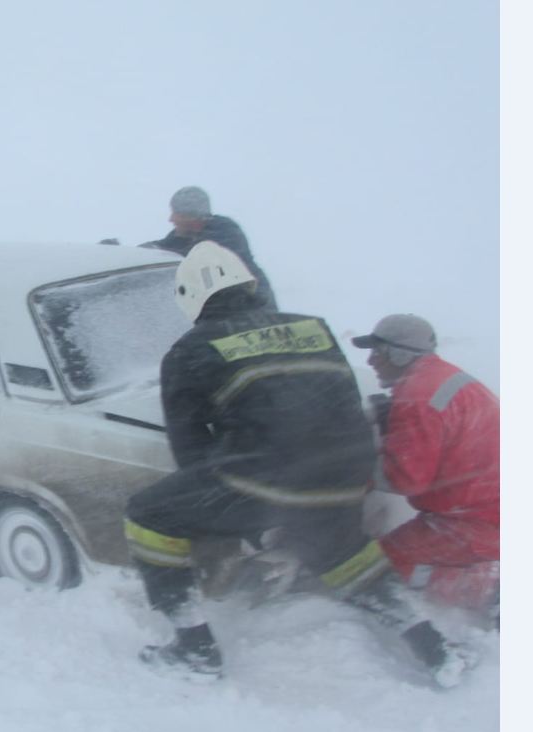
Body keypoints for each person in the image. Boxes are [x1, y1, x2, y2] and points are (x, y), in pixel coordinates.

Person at [124, 243, 471, 685]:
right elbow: (337, 398)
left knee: (148, 514)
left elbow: (190, 451)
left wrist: (240, 520)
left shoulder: (189, 351)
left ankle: (195, 650)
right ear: (250, 285)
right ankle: (437, 652)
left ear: (191, 298)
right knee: (345, 554)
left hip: (271, 480)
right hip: (346, 474)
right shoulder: (313, 328)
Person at [352, 314, 500, 625]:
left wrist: (354, 470)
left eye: (378, 352)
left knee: (382, 567)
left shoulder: (417, 397)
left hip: (477, 520)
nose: (371, 360)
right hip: (486, 507)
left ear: (400, 354)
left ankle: (490, 587)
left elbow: (406, 479)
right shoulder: (442, 378)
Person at [140, 186, 276, 308]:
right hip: (224, 307)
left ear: (192, 217)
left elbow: (192, 255)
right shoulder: (184, 234)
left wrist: (162, 252)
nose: (171, 219)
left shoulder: (225, 231)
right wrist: (137, 251)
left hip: (255, 303)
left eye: (177, 214)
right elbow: (164, 246)